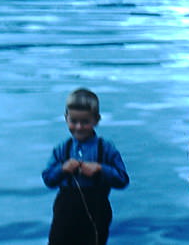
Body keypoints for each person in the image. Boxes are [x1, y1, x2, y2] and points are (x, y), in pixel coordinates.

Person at [42, 88, 129, 245]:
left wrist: (101, 169)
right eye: (74, 121)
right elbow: (48, 179)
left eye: (85, 122)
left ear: (96, 120)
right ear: (66, 119)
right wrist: (62, 169)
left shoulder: (106, 148)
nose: (79, 127)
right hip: (65, 210)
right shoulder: (62, 149)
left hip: (97, 208)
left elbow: (122, 180)